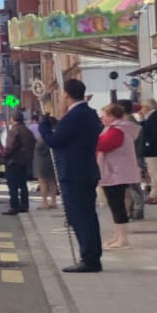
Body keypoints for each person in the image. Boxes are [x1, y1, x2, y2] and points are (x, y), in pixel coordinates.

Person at [42, 77, 105, 274]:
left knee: (80, 216)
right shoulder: (89, 113)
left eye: (62, 95)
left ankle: (89, 258)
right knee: (88, 215)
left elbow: (55, 140)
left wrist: (44, 127)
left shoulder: (75, 115)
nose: (60, 98)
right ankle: (92, 255)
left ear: (67, 95)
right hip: (85, 169)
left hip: (74, 172)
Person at [97, 104, 142, 251]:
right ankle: (117, 236)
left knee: (117, 205)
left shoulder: (117, 130)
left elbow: (102, 145)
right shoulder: (115, 129)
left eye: (104, 115)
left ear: (112, 116)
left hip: (116, 172)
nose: (102, 118)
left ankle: (123, 239)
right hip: (115, 171)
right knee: (114, 204)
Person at [0, 110, 35, 216]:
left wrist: (4, 155)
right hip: (25, 162)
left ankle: (14, 206)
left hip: (14, 161)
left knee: (13, 186)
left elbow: (10, 146)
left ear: (13, 119)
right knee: (23, 185)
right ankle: (24, 205)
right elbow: (33, 143)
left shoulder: (14, 130)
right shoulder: (27, 130)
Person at [31, 112, 59, 210]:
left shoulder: (44, 136)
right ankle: (53, 201)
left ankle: (44, 202)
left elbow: (38, 148)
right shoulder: (55, 134)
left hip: (42, 162)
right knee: (52, 181)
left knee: (43, 182)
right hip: (52, 161)